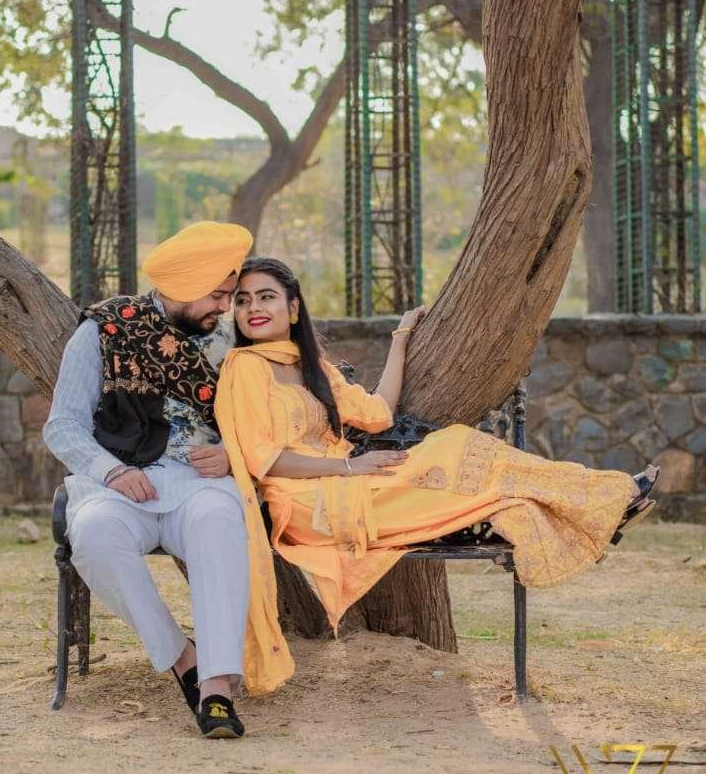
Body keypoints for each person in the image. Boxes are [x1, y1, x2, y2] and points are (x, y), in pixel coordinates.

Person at [214, 256, 661, 695]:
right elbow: (262, 460)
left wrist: (401, 338)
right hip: (308, 504)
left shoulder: (311, 367)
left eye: (266, 297)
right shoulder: (246, 367)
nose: (254, 308)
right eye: (243, 300)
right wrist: (348, 466)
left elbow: (377, 413)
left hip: (349, 484)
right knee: (460, 452)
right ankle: (611, 499)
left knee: (499, 491)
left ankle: (605, 505)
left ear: (293, 308)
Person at [42, 221, 277, 739]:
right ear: (186, 286)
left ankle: (215, 689)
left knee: (220, 521)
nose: (226, 306)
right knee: (94, 536)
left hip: (201, 482)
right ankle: (183, 658)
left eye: (229, 295)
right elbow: (63, 425)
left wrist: (233, 455)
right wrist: (114, 471)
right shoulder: (105, 330)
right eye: (217, 295)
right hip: (120, 482)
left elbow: (275, 414)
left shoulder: (233, 338)